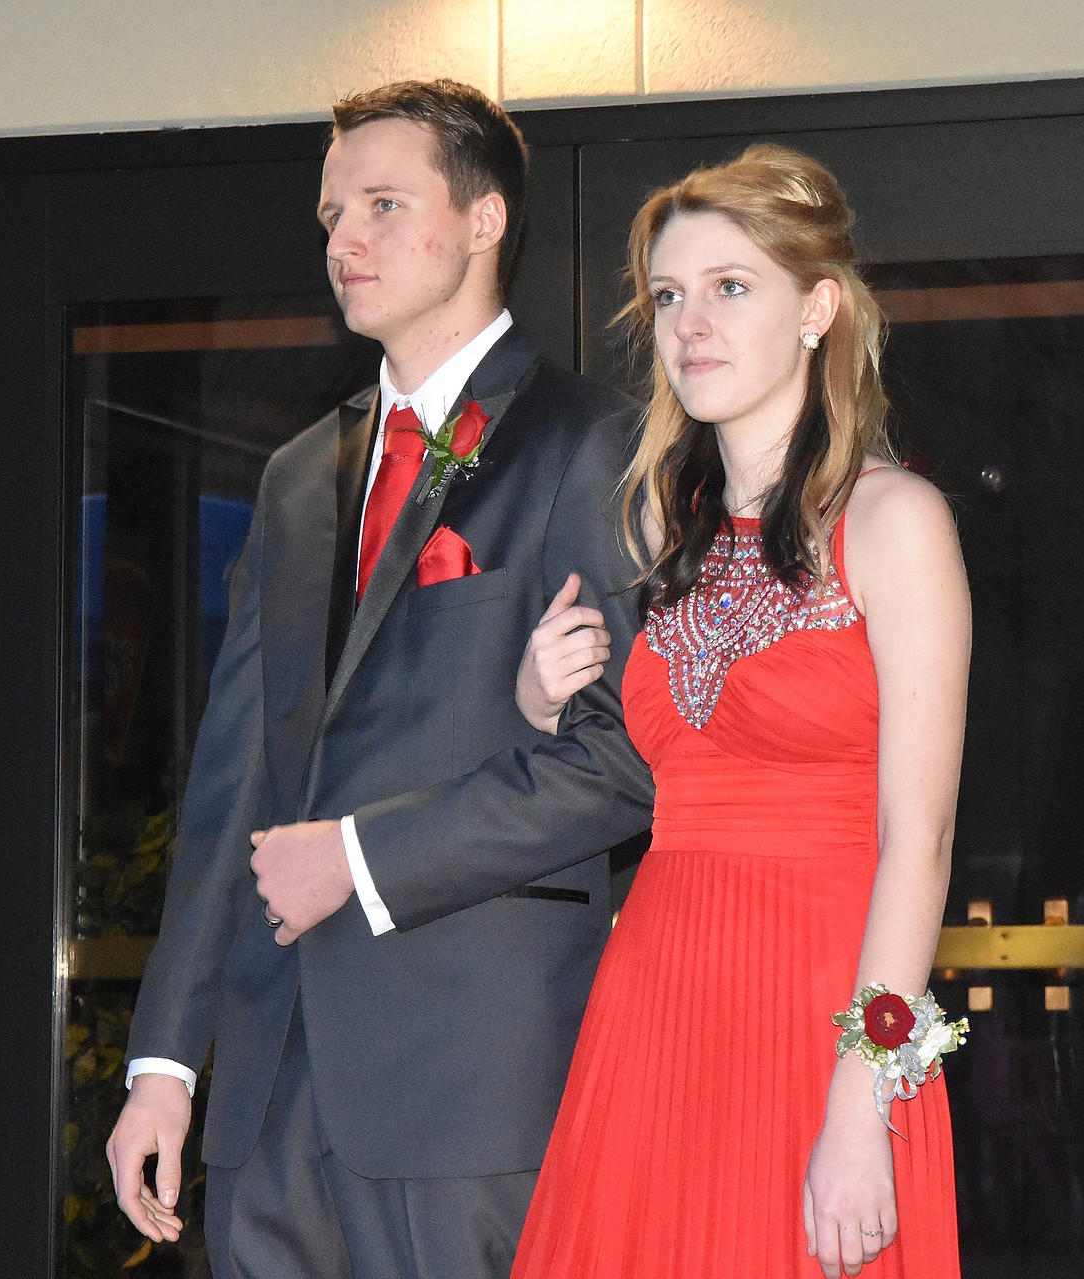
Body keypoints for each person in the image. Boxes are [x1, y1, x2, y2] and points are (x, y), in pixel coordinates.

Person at [105, 79, 653, 1279]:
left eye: (383, 204)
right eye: (332, 214)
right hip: (269, 1087)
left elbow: (619, 765)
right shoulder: (302, 473)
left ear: (484, 219)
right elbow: (233, 779)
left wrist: (354, 858)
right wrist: (165, 1067)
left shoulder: (587, 444)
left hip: (467, 1086)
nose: (343, 239)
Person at [510, 144, 970, 1278]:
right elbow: (640, 778)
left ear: (818, 309)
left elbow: (922, 838)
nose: (690, 325)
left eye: (731, 287)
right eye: (669, 296)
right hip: (656, 1007)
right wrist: (538, 698)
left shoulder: (898, 519)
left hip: (826, 1010)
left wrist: (865, 1100)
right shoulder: (662, 540)